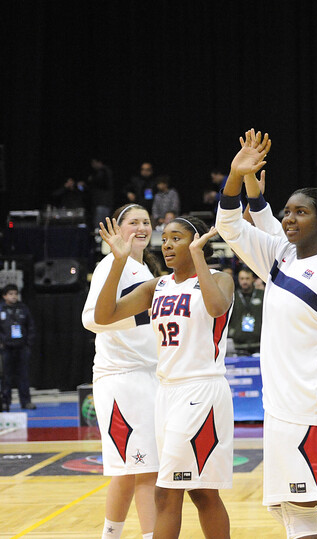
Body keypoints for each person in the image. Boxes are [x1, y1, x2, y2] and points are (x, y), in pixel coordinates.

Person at [217, 130, 317, 539]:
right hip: (280, 409)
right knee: (284, 509)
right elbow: (228, 224)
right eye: (286, 211)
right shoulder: (279, 258)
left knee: (300, 513)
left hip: (312, 412)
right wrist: (236, 174)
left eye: (299, 212)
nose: (288, 218)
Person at [95, 214, 235, 539]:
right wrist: (118, 262)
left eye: (177, 238)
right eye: (166, 238)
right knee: (202, 492)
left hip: (201, 391)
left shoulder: (219, 279)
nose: (168, 245)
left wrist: (199, 258)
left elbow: (216, 308)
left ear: (198, 242)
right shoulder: (157, 286)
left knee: (166, 491)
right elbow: (104, 316)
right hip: (168, 392)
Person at [81, 203, 160, 539]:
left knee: (129, 469)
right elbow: (91, 319)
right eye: (132, 222)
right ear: (117, 229)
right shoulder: (112, 266)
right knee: (144, 469)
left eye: (145, 222)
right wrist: (141, 317)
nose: (141, 228)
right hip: (122, 378)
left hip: (148, 376)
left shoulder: (145, 269)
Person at [0, 284, 35, 411]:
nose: (14, 296)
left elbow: (30, 326)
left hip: (22, 348)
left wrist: (28, 344)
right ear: (4, 296)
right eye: (10, 294)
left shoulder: (23, 308)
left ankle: (26, 402)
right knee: (6, 377)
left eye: (15, 294)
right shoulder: (1, 309)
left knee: (23, 376)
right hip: (6, 348)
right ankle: (5, 402)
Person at [228, 267, 263, 355]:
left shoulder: (262, 295)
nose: (244, 281)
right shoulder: (233, 297)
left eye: (247, 278)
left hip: (259, 344)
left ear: (253, 279)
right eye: (242, 279)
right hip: (238, 345)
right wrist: (232, 332)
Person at [88, 157, 115, 226]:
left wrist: (92, 179)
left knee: (100, 225)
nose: (93, 165)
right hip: (103, 203)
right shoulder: (104, 171)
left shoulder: (103, 172)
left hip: (103, 203)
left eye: (94, 163)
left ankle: (98, 236)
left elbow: (101, 183)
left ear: (99, 162)